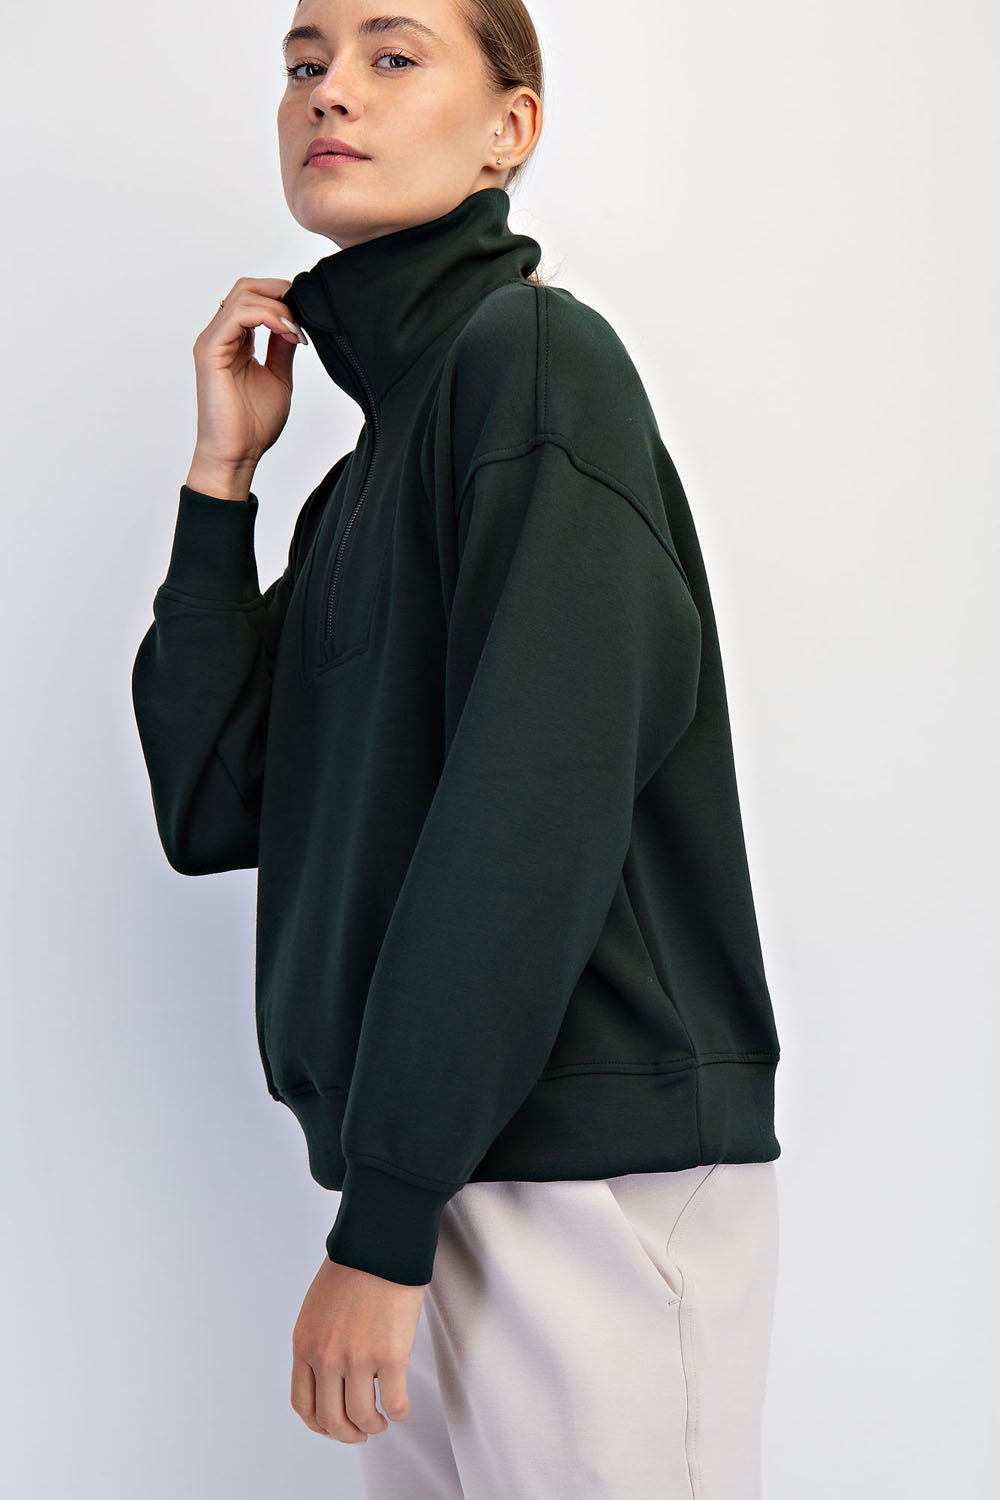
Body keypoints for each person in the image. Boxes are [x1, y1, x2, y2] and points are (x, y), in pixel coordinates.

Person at [131, 1, 783, 1495]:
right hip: (435, 1170)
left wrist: (385, 1216)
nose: (328, 93)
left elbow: (531, 807)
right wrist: (222, 479)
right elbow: (212, 803)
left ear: (510, 129)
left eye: (392, 54)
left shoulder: (538, 363)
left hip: (581, 1178)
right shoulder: (366, 471)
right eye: (303, 64)